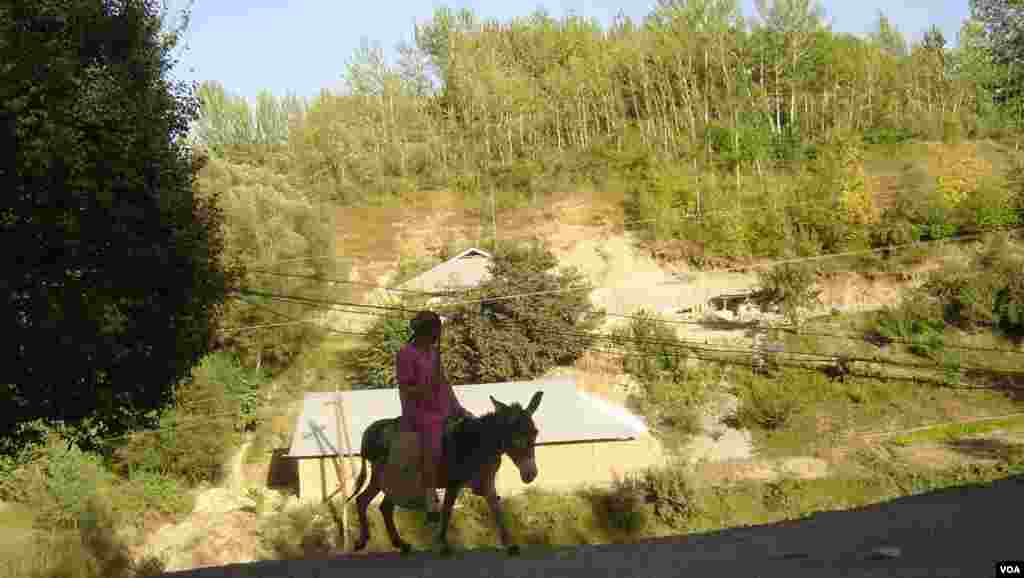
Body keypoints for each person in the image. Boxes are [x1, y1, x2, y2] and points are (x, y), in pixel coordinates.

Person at [396, 310, 474, 521]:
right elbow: (406, 387)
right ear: (424, 331)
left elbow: (444, 383)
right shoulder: (405, 354)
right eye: (434, 332)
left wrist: (458, 408)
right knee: (433, 440)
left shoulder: (433, 353)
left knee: (470, 426)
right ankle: (431, 498)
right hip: (418, 410)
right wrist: (425, 388)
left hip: (440, 405)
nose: (437, 336)